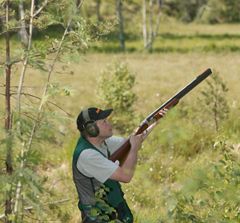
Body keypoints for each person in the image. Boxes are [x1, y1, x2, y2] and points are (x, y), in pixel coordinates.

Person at [72, 107, 166, 222]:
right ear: (91, 129)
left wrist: (155, 121)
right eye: (104, 122)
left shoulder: (103, 143)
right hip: (98, 216)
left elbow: (132, 141)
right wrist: (134, 149)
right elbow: (125, 176)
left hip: (114, 207)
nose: (109, 124)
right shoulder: (87, 155)